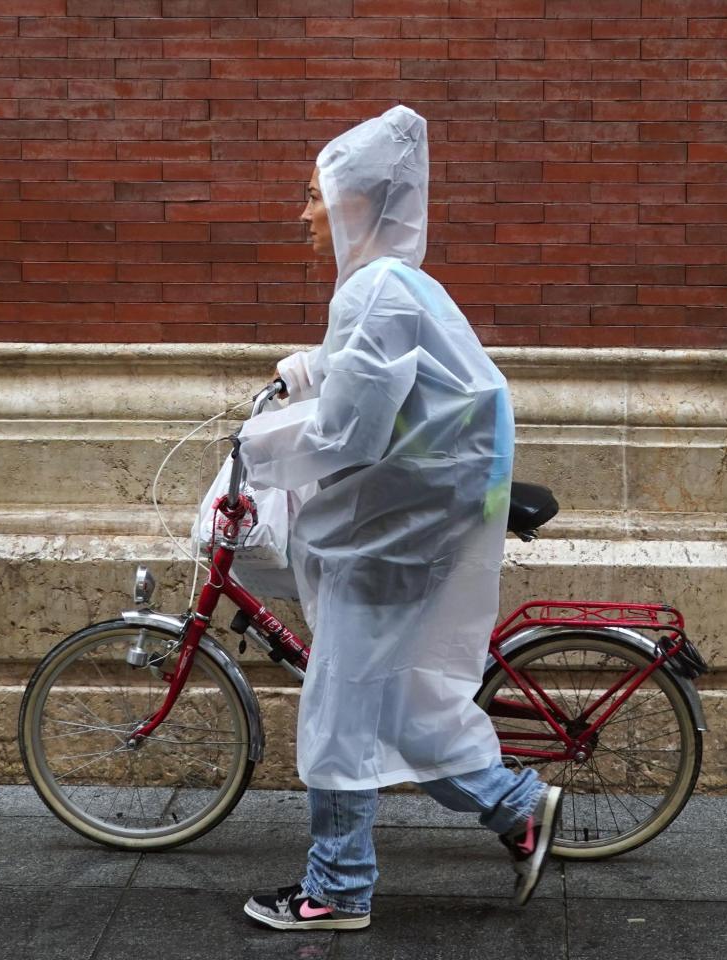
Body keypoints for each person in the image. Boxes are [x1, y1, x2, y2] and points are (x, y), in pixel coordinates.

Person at [235, 104, 561, 932]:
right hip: (415, 517)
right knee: (394, 696)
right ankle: (515, 806)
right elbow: (379, 384)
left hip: (394, 529)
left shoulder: (375, 293)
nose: (302, 213)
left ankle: (336, 889)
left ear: (353, 201)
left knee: (343, 698)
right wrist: (309, 370)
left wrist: (258, 447)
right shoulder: (393, 285)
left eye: (312, 195)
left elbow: (353, 430)